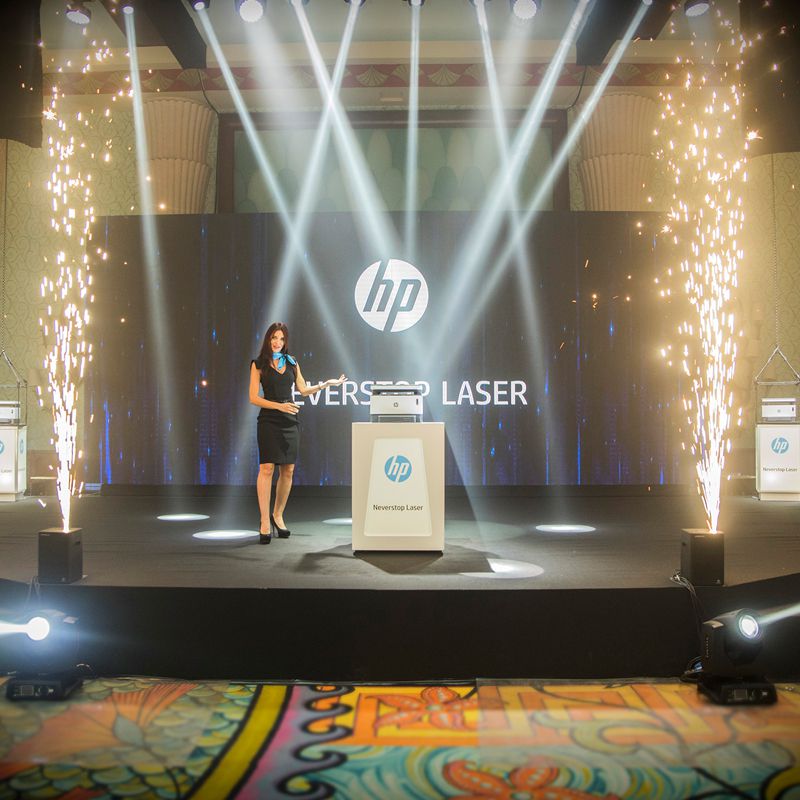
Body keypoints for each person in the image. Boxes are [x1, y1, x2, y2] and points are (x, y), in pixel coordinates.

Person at [249, 322, 345, 544]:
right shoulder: (258, 363)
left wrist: (325, 384)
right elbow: (253, 398)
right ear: (268, 339)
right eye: (274, 338)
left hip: (290, 420)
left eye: (282, 339)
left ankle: (277, 515)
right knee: (266, 468)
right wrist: (279, 406)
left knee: (288, 470)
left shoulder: (292, 362)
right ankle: (264, 521)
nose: (278, 342)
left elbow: (302, 390)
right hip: (269, 419)